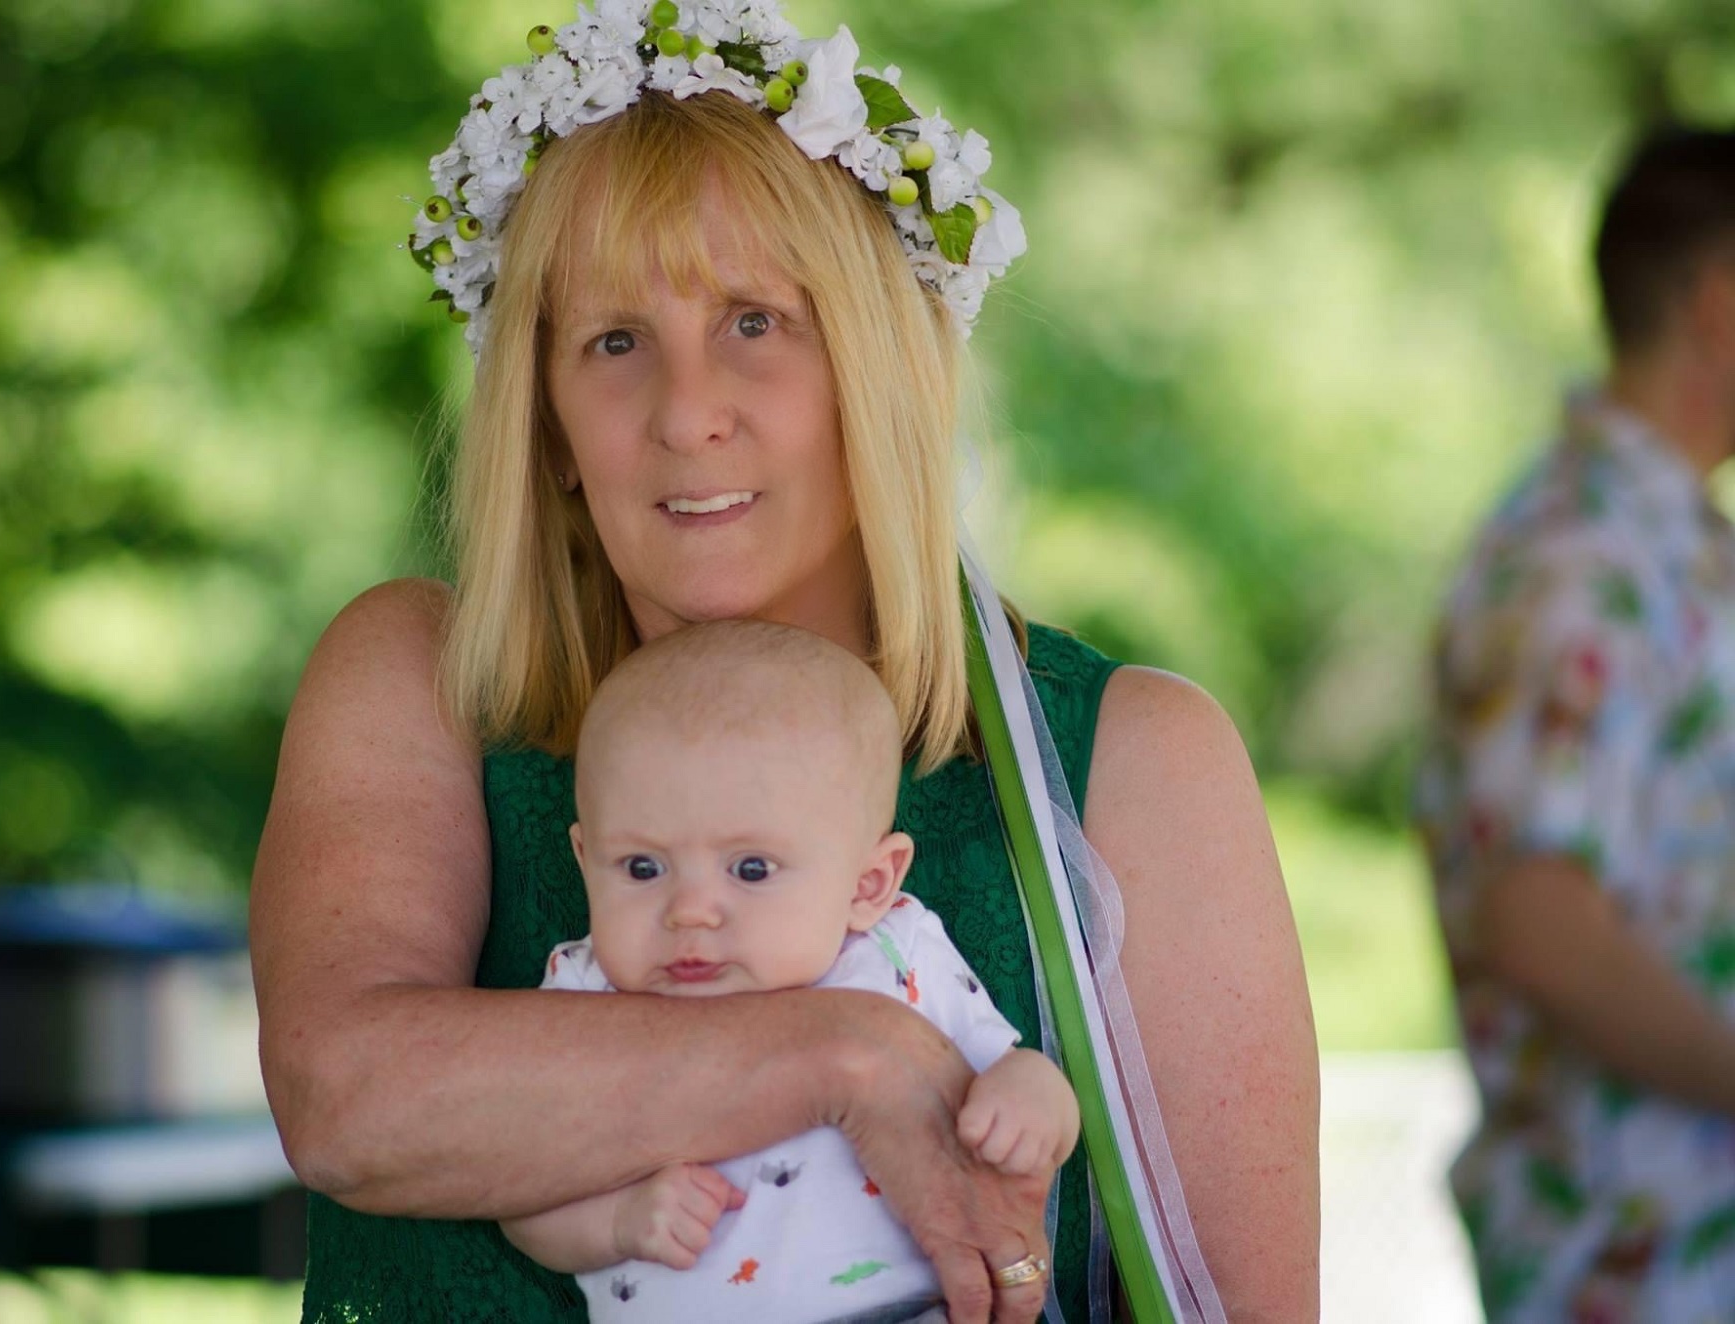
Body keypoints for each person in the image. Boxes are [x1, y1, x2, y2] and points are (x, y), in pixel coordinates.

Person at [250, 4, 1319, 1321]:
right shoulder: (421, 681)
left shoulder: (1121, 759)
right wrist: (849, 1054)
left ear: (877, 368)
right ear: (549, 419)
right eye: (614, 340)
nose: (687, 411)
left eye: (756, 320)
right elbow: (347, 1100)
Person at [498, 620, 1080, 1324]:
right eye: (642, 868)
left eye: (751, 869)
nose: (690, 911)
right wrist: (620, 1222)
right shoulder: (582, 995)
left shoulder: (900, 953)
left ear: (868, 885)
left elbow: (1011, 1068)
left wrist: (1034, 1104)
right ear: (586, 859)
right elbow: (522, 1197)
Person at [1416, 125, 1735, 1321]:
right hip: (1631, 1257)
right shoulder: (1577, 561)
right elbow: (1538, 920)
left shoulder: (1663, 549)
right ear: (1717, 302)